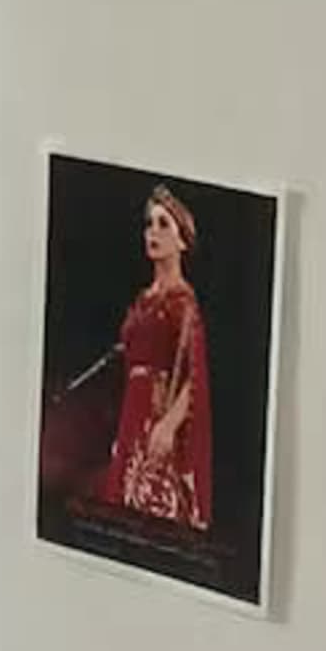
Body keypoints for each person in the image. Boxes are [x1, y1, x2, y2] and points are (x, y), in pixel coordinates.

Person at [76, 183, 213, 534]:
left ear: (182, 241)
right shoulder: (141, 300)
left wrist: (168, 425)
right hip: (131, 414)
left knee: (155, 505)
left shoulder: (184, 302)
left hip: (160, 413)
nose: (153, 232)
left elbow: (194, 373)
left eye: (164, 224)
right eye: (150, 223)